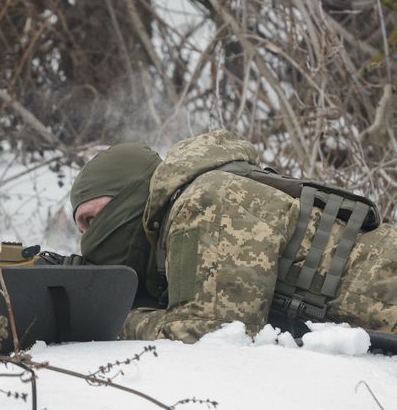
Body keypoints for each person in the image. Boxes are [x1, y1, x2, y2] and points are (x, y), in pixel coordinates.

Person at [70, 129, 397, 342]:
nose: (88, 234)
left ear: (131, 195)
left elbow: (213, 334)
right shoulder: (181, 222)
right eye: (80, 226)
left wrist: (111, 320)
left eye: (92, 217)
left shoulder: (204, 202)